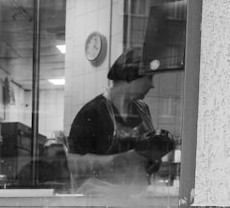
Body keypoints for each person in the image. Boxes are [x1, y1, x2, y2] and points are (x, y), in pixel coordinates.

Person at [66, 47, 175, 194]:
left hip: (134, 202)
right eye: (149, 78)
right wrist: (123, 160)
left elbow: (144, 162)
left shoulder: (143, 111)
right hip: (100, 207)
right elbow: (73, 164)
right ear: (130, 77)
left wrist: (151, 160)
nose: (152, 85)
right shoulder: (92, 113)